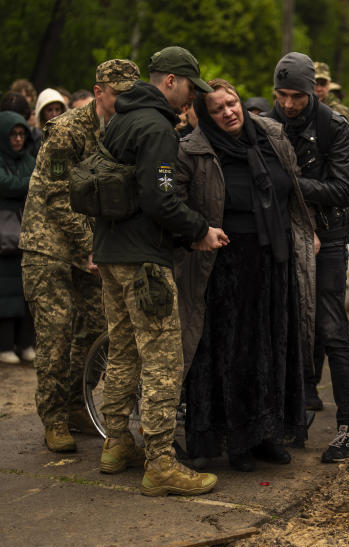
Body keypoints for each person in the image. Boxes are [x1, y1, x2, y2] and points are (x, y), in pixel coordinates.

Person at [95, 46, 228, 496]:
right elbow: (160, 197)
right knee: (162, 360)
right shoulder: (156, 128)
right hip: (143, 261)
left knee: (124, 351)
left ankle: (116, 444)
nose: (193, 97)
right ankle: (160, 464)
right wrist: (199, 229)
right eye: (191, 87)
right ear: (170, 80)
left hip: (111, 253)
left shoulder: (121, 118)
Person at [175, 78, 316, 470]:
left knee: (271, 346)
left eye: (231, 102)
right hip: (223, 264)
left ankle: (266, 435)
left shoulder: (271, 134)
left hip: (274, 258)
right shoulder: (191, 148)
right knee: (230, 353)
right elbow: (172, 199)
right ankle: (232, 441)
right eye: (217, 108)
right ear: (206, 115)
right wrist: (197, 231)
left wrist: (306, 232)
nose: (229, 111)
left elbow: (291, 189)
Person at [19, 60, 140, 453]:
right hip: (49, 245)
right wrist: (90, 244)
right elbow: (57, 195)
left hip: (91, 245)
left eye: (130, 93)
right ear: (99, 90)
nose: (124, 100)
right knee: (56, 334)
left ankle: (75, 404)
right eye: (118, 93)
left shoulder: (124, 129)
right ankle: (53, 417)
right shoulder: (68, 129)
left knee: (91, 330)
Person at [265, 52, 349, 458]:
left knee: (331, 328)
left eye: (297, 96)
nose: (288, 104)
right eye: (282, 95)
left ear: (311, 92)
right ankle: (292, 422)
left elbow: (346, 189)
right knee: (286, 326)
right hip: (285, 236)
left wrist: (290, 184)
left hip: (329, 236)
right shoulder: (268, 123)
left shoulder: (334, 126)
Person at [0, 113, 36, 366]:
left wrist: (22, 184)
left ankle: (26, 343)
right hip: (3, 240)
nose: (18, 139)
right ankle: (4, 344)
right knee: (5, 296)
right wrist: (25, 184)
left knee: (26, 295)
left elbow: (35, 183)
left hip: (27, 236)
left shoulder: (29, 160)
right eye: (13, 134)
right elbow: (6, 184)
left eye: (22, 134)